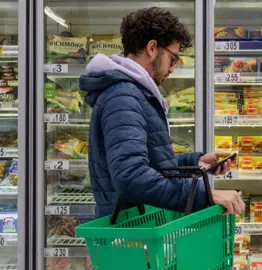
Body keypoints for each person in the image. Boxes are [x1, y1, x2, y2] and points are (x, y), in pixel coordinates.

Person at [79, 7, 245, 218]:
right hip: (130, 232)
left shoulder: (134, 93)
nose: (172, 67)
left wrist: (195, 163)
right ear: (152, 48)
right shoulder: (123, 96)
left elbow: (148, 164)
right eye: (173, 58)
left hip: (140, 224)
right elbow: (132, 177)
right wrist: (206, 195)